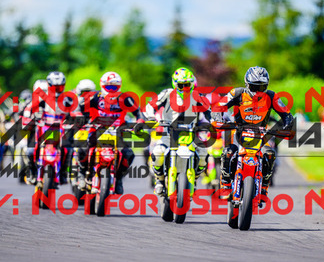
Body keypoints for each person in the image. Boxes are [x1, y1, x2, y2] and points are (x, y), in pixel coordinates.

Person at [212, 66, 294, 201]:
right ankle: (225, 182)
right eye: (254, 87)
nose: (257, 91)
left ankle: (264, 187)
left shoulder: (272, 96)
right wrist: (218, 119)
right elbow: (218, 107)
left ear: (267, 86)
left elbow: (287, 115)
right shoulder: (236, 93)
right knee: (228, 152)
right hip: (239, 131)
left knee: (270, 154)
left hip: (261, 134)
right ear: (247, 84)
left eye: (261, 87)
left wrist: (288, 126)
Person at [143, 67, 211, 196]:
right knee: (157, 152)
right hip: (168, 133)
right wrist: (151, 117)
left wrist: (213, 121)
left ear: (192, 84)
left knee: (204, 154)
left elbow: (209, 111)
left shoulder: (197, 96)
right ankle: (159, 180)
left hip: (191, 134)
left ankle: (195, 178)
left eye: (187, 85)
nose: (184, 88)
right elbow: (150, 105)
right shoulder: (167, 94)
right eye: (181, 85)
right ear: (175, 84)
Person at [77, 71, 142, 195]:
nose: (111, 90)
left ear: (119, 86)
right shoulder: (94, 97)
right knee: (83, 148)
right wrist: (80, 118)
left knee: (128, 154)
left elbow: (137, 112)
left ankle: (119, 179)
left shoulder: (125, 98)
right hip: (96, 130)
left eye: (114, 87)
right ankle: (81, 174)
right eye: (108, 87)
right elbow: (80, 107)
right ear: (102, 85)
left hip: (117, 132)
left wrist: (139, 122)